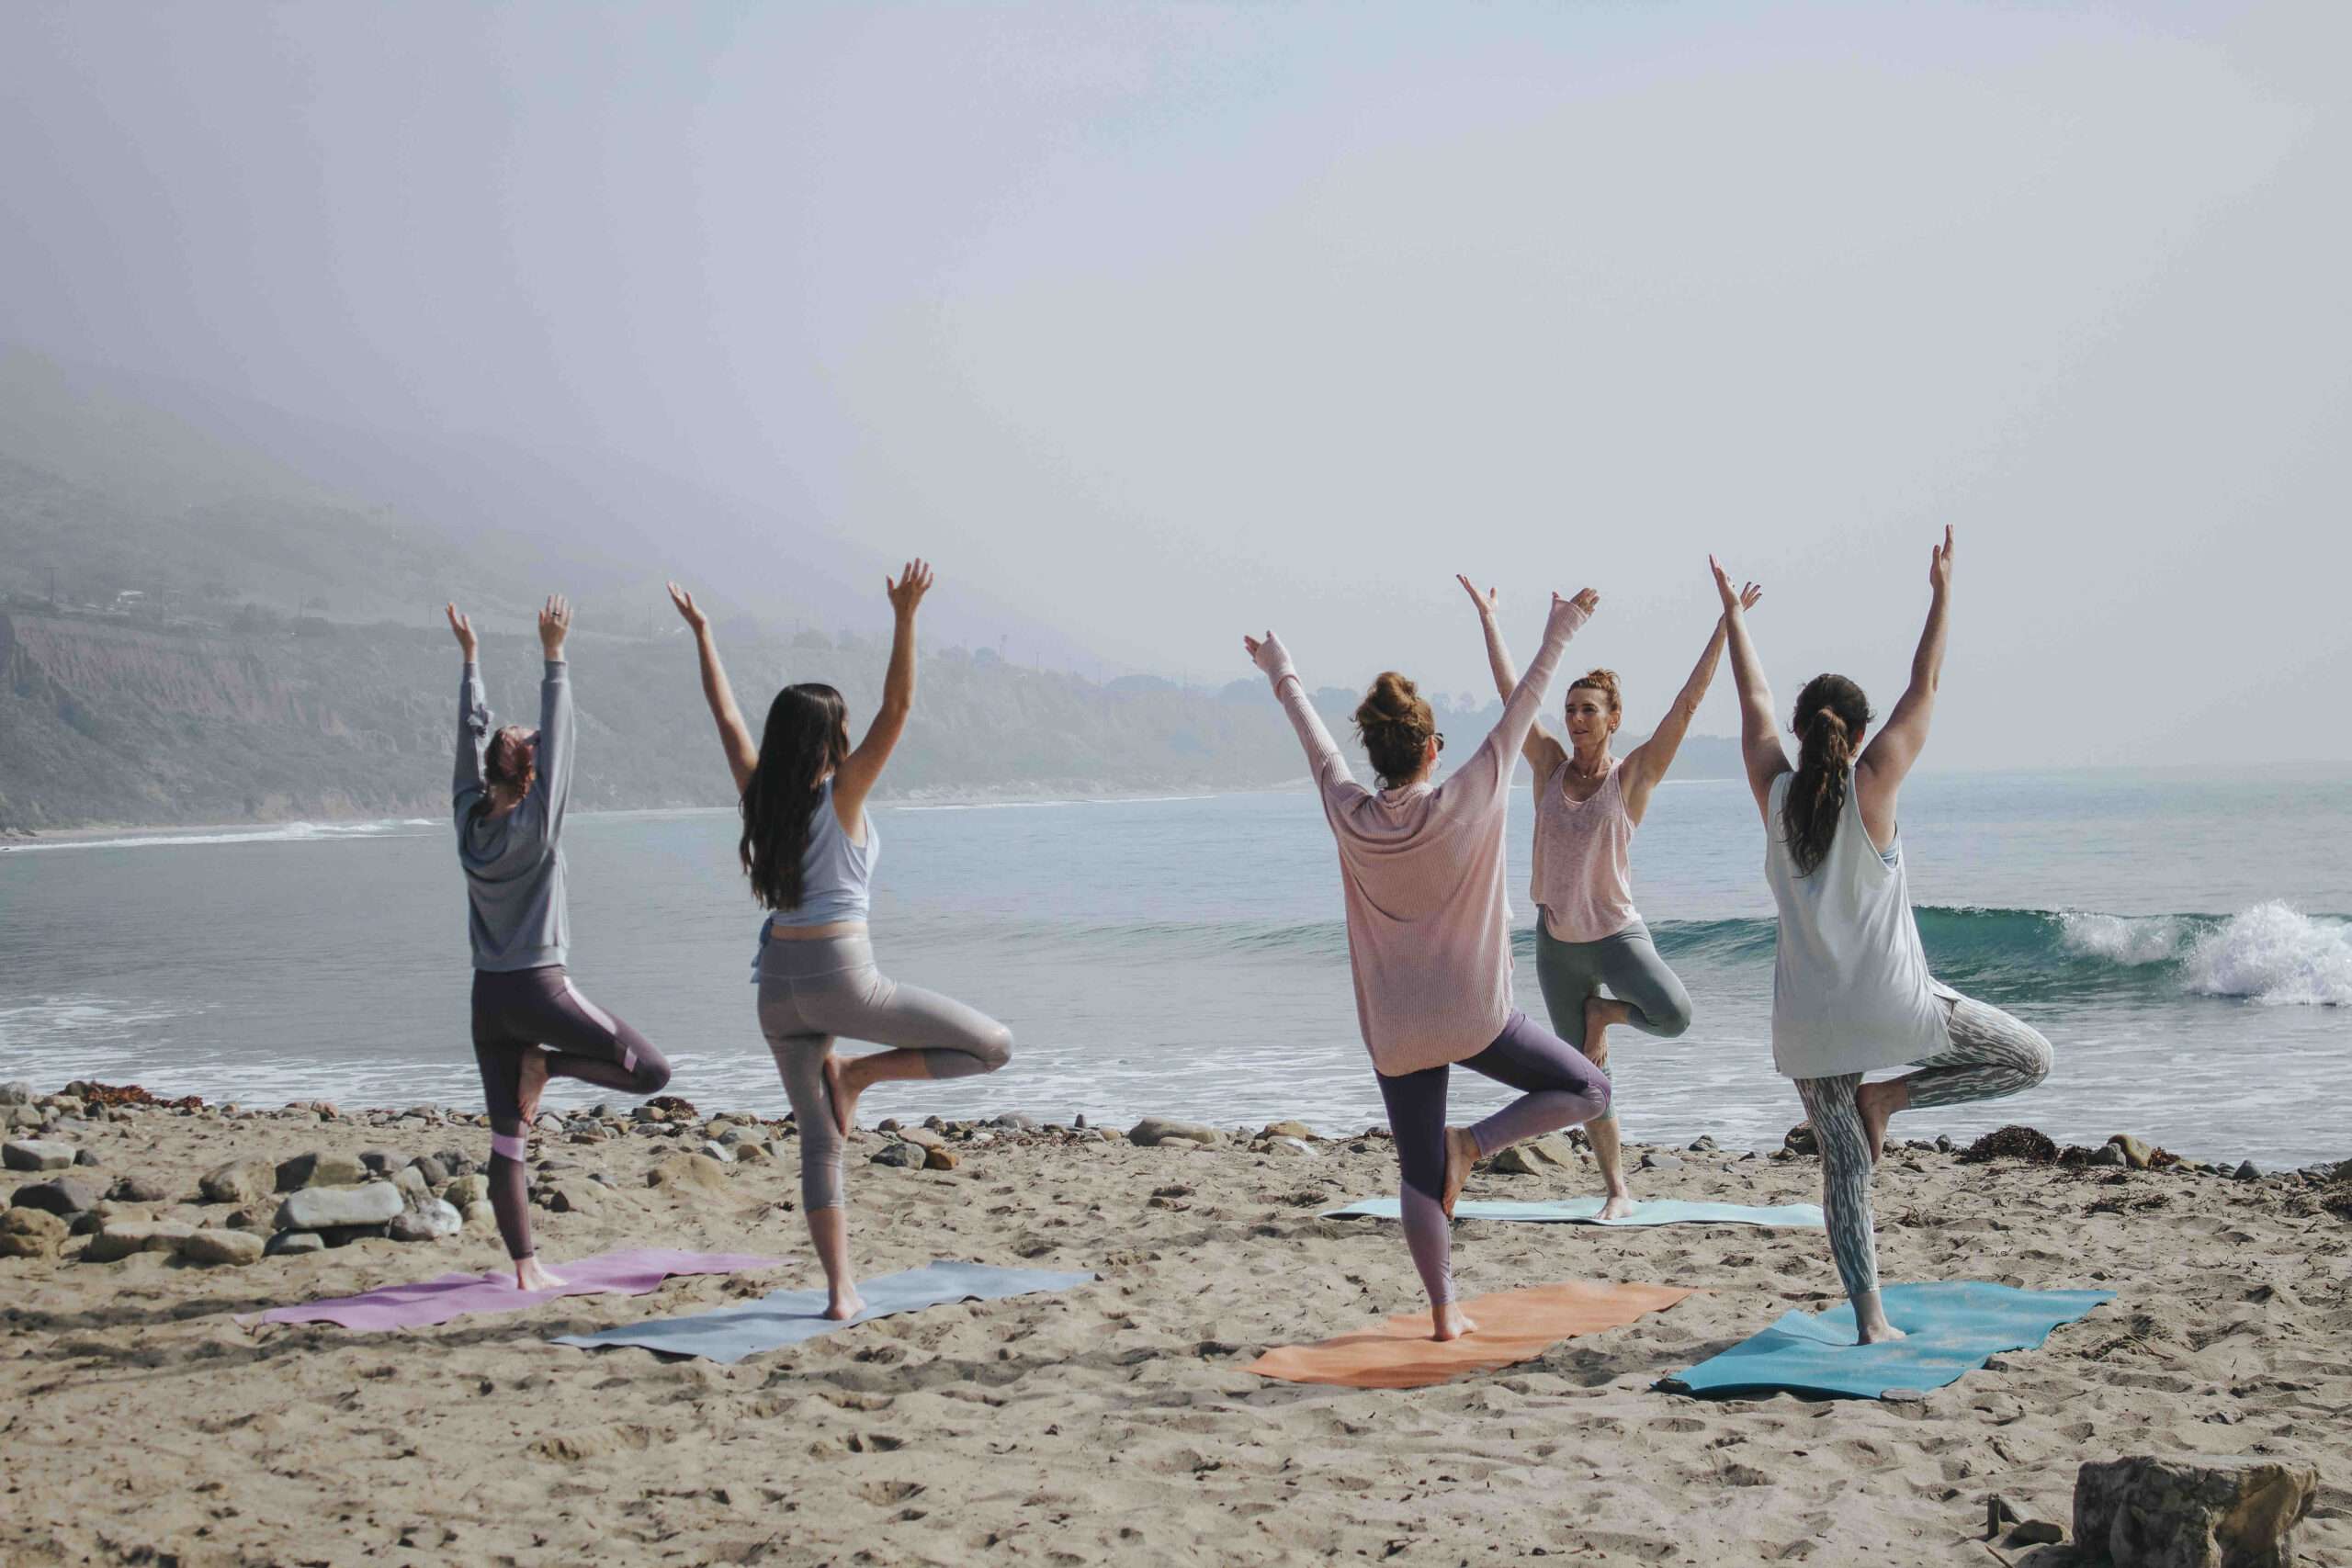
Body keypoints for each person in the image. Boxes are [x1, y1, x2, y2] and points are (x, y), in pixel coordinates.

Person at [1246, 590, 1612, 1342]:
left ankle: (1445, 1314)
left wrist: (1280, 669)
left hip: (1397, 1029)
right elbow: (1526, 705)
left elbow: (1315, 740)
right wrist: (1562, 627)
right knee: (1590, 1088)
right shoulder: (1468, 796)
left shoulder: (1347, 811)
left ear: (1377, 756)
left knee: (1416, 1175)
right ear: (1432, 748)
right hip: (1476, 1015)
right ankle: (1472, 1143)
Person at [1712, 529, 2051, 1342]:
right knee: (2031, 1059)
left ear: (1800, 734)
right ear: (1858, 735)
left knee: (1846, 1169)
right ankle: (1893, 1094)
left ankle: (1871, 1321)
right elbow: (1925, 682)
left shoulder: (1773, 792)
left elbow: (1751, 706)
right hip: (1895, 1008)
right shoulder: (1877, 784)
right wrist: (1941, 593)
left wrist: (1735, 619)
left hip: (1809, 1025)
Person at [668, 562, 1012, 1321]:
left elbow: (726, 718)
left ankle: (840, 1292)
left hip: (774, 991)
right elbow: (901, 705)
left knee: (818, 1145)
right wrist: (905, 615)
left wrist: (704, 635)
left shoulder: (762, 797)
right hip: (839, 978)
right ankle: (857, 1074)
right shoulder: (843, 793)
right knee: (993, 1046)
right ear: (832, 737)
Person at [1458, 573, 1761, 1218]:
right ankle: (1618, 1189)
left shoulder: (1634, 777)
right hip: (1557, 946)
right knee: (1588, 1084)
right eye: (1570, 709)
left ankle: (1606, 1014)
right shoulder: (1544, 765)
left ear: (1614, 718)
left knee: (1675, 1014)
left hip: (1618, 937)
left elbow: (1686, 705)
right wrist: (1489, 617)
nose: (1573, 719)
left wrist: (1723, 626)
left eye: (1587, 709)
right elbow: (1516, 695)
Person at [448, 595, 673, 1292]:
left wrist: (472, 664)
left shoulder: (467, 818)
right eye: (528, 744)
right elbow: (562, 733)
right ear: (529, 774)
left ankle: (526, 1268)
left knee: (507, 1140)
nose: (531, 741)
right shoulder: (539, 824)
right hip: (541, 991)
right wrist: (554, 656)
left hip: (489, 999)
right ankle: (549, 1068)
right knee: (651, 1072)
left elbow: (467, 737)